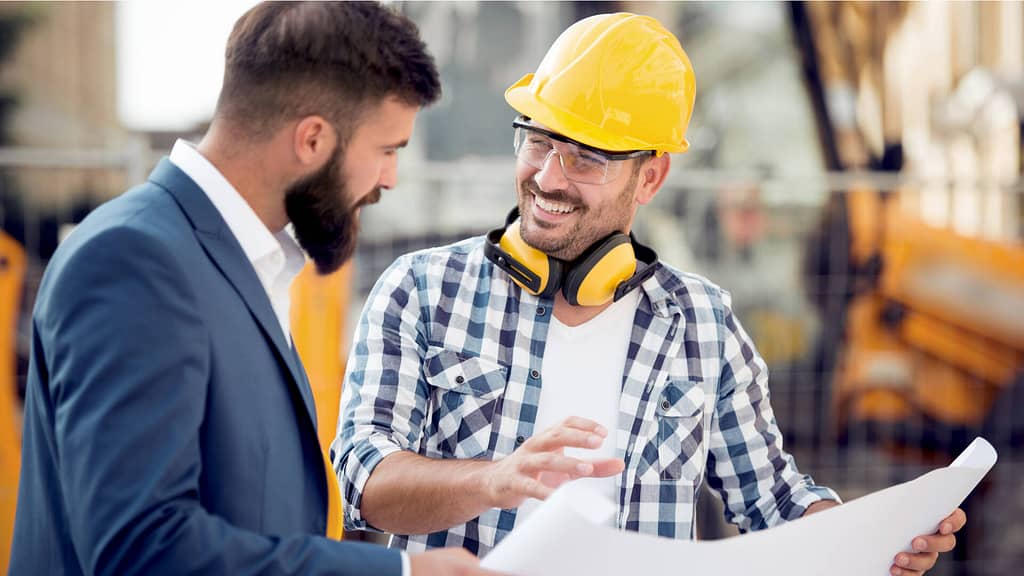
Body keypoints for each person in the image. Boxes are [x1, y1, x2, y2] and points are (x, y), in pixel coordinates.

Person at [334, 12, 966, 576]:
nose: (549, 177)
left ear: (651, 176)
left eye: (586, 159)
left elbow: (772, 500)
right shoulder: (419, 291)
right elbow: (366, 481)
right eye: (539, 140)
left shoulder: (702, 323)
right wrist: (499, 480)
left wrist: (872, 540)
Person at [10, 3, 499, 575]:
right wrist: (403, 573)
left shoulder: (236, 262)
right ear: (313, 139)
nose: (389, 177)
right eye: (387, 149)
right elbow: (140, 550)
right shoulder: (132, 261)